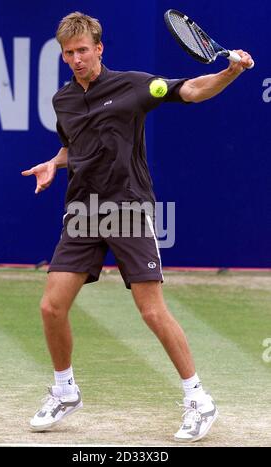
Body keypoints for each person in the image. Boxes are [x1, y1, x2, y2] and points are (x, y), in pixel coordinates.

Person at [22, 11, 253, 442]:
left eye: (82, 51)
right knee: (51, 306)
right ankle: (64, 390)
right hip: (82, 213)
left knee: (151, 310)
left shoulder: (134, 85)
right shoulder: (64, 100)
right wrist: (54, 163)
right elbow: (76, 143)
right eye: (68, 53)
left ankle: (199, 399)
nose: (75, 59)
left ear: (99, 49)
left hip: (127, 209)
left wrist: (230, 72)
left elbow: (192, 90)